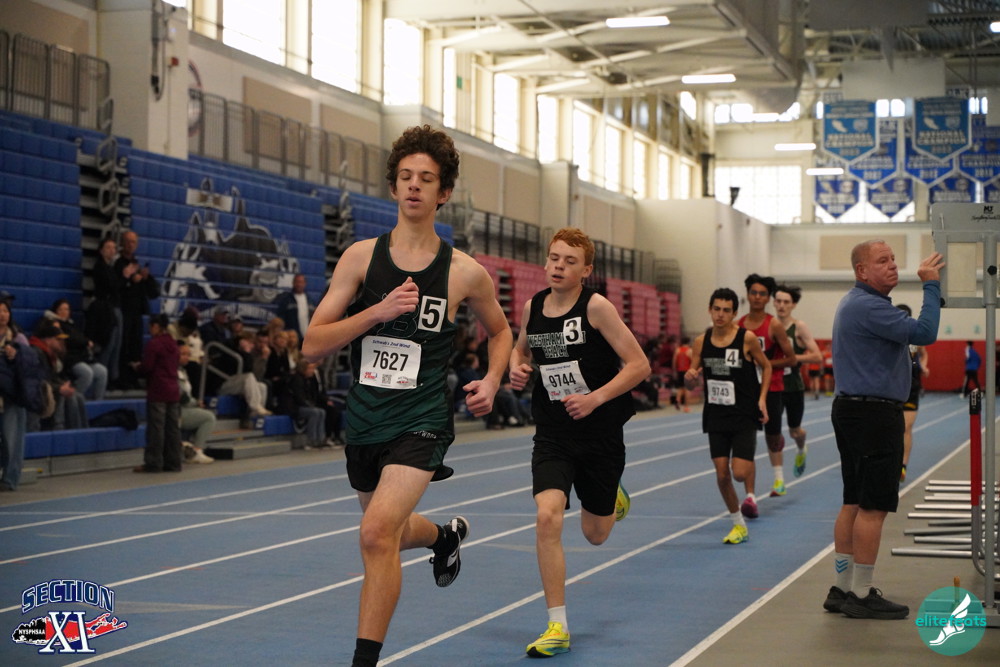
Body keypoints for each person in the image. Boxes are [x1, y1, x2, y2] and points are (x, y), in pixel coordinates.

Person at [301, 125, 512, 667]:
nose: (414, 186)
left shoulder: (464, 272)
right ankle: (442, 537)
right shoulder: (360, 259)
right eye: (406, 177)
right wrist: (377, 311)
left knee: (375, 533)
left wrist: (491, 380)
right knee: (389, 535)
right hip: (365, 418)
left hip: (422, 419)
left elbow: (501, 331)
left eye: (427, 179)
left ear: (444, 193)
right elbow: (312, 344)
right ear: (393, 187)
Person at [509, 227, 649, 659]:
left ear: (586, 270)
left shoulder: (597, 308)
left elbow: (639, 365)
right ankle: (557, 625)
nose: (558, 267)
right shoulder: (533, 307)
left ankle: (612, 496)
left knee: (595, 534)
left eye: (569, 261)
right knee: (547, 517)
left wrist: (595, 398)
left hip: (600, 434)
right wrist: (517, 368)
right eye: (554, 258)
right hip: (553, 433)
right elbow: (521, 351)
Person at [825, 240, 943, 620]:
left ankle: (842, 588)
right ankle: (861, 594)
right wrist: (931, 285)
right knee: (873, 506)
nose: (893, 265)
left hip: (853, 410)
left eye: (893, 259)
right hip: (873, 415)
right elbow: (925, 332)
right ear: (862, 271)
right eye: (882, 261)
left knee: (853, 501)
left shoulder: (856, 303)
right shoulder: (869, 306)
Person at [685, 288, 771, 544]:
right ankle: (738, 524)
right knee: (722, 474)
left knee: (739, 473)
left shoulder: (747, 339)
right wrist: (690, 378)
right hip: (716, 414)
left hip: (744, 413)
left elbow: (766, 366)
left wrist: (762, 399)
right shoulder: (701, 342)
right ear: (710, 310)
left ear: (734, 314)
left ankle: (748, 490)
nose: (720, 314)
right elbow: (691, 380)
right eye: (716, 309)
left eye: (726, 310)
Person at [737, 274, 796, 515]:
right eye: (754, 293)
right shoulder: (739, 325)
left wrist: (765, 364)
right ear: (748, 295)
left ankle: (778, 474)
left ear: (768, 298)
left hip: (772, 388)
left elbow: (791, 359)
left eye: (762, 294)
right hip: (747, 390)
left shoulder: (774, 325)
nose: (757, 297)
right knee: (747, 439)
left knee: (772, 438)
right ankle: (751, 495)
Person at [772, 285, 822, 478]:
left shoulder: (799, 327)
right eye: (778, 301)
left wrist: (792, 359)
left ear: (793, 305)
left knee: (794, 431)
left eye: (786, 302)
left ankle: (801, 449)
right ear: (774, 303)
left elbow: (817, 356)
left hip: (793, 386)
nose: (782, 305)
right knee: (773, 432)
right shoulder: (769, 325)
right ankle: (778, 478)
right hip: (773, 387)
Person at [134, 314, 182, 473]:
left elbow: (147, 367)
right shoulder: (173, 344)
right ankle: (174, 462)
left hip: (158, 389)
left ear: (156, 326)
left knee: (156, 429)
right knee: (172, 429)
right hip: (173, 389)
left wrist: (137, 367)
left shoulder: (154, 344)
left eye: (151, 326)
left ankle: (154, 462)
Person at [115, 230, 160, 388]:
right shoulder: (118, 264)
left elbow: (153, 292)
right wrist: (129, 280)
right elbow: (114, 287)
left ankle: (133, 377)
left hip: (136, 311)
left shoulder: (137, 264)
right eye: (128, 241)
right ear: (122, 243)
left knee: (135, 345)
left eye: (133, 242)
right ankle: (121, 377)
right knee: (123, 345)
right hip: (123, 310)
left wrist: (146, 278)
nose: (130, 244)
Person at [43, 299, 108, 400]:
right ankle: (72, 399)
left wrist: (84, 342)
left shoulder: (72, 325)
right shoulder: (54, 324)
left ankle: (98, 401)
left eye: (66, 309)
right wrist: (85, 342)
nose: (64, 312)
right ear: (55, 310)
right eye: (61, 309)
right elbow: (69, 340)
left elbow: (79, 338)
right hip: (70, 359)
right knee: (87, 373)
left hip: (82, 357)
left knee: (102, 371)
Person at [29, 322, 87, 431]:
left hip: (48, 387)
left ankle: (82, 431)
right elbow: (39, 380)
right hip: (38, 391)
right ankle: (59, 427)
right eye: (58, 339)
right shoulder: (37, 353)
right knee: (68, 397)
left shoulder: (50, 354)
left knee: (78, 396)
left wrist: (62, 384)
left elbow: (51, 377)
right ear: (48, 340)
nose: (62, 342)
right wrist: (59, 388)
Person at [895, 305, 928, 483]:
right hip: (891, 387)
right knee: (892, 428)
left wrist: (924, 366)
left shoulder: (914, 338)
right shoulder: (889, 334)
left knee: (906, 427)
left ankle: (903, 466)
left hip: (911, 387)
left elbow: (923, 352)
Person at [0, 294, 29, 491]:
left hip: (13, 396)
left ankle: (10, 479)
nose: (2, 315)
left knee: (12, 440)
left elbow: (31, 366)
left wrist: (17, 356)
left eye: (5, 311)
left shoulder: (18, 338)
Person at [89, 236, 123, 388]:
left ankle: (112, 376)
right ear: (101, 250)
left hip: (114, 306)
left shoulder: (111, 268)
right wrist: (124, 276)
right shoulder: (100, 267)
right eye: (108, 247)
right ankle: (103, 377)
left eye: (113, 248)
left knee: (116, 345)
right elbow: (111, 286)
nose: (112, 250)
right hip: (105, 310)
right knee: (108, 344)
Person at [216, 332, 272, 418]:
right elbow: (247, 370)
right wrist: (246, 352)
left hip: (236, 383)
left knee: (262, 386)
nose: (252, 346)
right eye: (250, 343)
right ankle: (255, 407)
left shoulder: (245, 354)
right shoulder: (230, 352)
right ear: (242, 342)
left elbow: (254, 373)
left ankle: (254, 415)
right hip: (223, 384)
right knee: (248, 376)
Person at [177, 342, 215, 464]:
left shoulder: (183, 371)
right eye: (183, 354)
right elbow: (181, 396)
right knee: (208, 417)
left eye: (188, 355)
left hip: (185, 407)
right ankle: (197, 451)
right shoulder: (171, 371)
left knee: (203, 413)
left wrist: (195, 403)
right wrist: (195, 403)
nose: (186, 357)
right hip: (176, 410)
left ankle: (188, 447)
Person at [275, 273, 314, 343]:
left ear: (305, 284)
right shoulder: (286, 300)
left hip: (307, 338)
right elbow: (280, 318)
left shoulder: (310, 300)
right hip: (291, 339)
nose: (299, 284)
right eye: (297, 282)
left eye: (301, 282)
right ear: (293, 283)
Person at [672, 336, 692, 411]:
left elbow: (674, 361)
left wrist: (674, 371)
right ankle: (686, 406)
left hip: (679, 371)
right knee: (687, 389)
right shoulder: (689, 350)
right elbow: (693, 361)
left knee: (680, 387)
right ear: (688, 342)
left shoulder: (678, 350)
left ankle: (678, 400)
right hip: (687, 371)